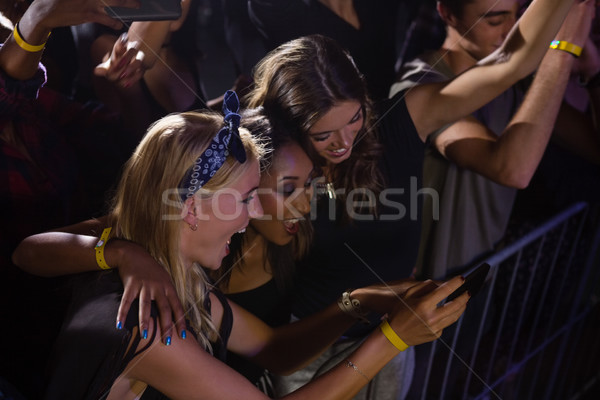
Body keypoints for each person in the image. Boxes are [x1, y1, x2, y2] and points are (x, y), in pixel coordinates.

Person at [14, 87, 468, 400]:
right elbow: (26, 251)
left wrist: (362, 302)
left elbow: (272, 347)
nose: (254, 214)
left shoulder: (176, 278)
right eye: (247, 198)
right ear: (191, 208)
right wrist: (392, 339)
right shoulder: (148, 324)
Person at [243, 0, 583, 396]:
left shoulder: (403, 120)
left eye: (354, 119)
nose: (344, 143)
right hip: (307, 351)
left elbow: (512, 60)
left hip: (394, 337)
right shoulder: (276, 171)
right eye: (323, 136)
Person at [391, 0, 599, 279]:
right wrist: (561, 51)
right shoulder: (421, 82)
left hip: (480, 277)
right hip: (429, 289)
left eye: (520, 16)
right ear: (447, 13)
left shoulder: (520, 85)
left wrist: (594, 73)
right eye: (494, 20)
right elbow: (512, 168)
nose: (512, 31)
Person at [0, 0, 138, 396]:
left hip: (89, 306)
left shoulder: (34, 110)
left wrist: (122, 85)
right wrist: (35, 24)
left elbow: (120, 137)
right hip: (22, 339)